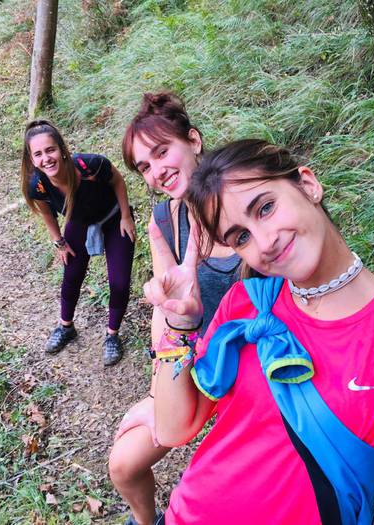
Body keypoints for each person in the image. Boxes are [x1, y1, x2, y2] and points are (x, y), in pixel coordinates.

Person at [144, 139, 374, 524]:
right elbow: (173, 428)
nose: (265, 242)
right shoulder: (246, 303)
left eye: (266, 208)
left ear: (308, 185)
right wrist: (180, 324)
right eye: (241, 237)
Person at [108, 93, 240, 525]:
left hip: (253, 376)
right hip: (195, 363)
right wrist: (157, 394)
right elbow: (164, 314)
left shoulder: (245, 206)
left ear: (194, 141)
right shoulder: (166, 221)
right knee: (124, 465)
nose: (156, 171)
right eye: (144, 166)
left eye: (163, 152)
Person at [20, 120, 136, 366]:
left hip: (115, 218)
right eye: (38, 154)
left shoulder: (90, 165)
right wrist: (59, 241)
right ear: (31, 159)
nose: (46, 158)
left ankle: (112, 335)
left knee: (119, 281)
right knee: (72, 274)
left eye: (50, 150)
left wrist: (126, 216)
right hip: (79, 222)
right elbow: (47, 213)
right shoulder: (37, 185)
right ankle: (66, 326)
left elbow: (117, 181)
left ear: (62, 149)